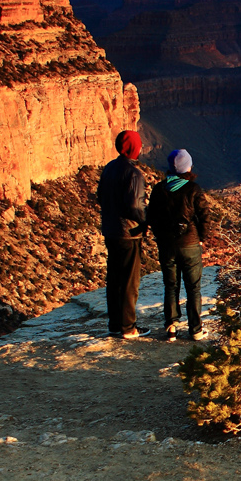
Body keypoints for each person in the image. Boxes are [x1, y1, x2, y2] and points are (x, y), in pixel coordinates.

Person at [146, 148, 212, 340]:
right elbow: (205, 216)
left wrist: (160, 236)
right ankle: (196, 329)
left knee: (171, 285)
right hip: (190, 244)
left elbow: (151, 217)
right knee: (193, 287)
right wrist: (201, 237)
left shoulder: (159, 189)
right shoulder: (193, 189)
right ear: (187, 168)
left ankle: (171, 327)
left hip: (167, 245)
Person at [96, 130, 148, 339]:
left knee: (115, 278)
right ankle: (128, 327)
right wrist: (146, 219)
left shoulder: (109, 168)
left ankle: (115, 324)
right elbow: (135, 206)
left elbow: (100, 196)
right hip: (128, 233)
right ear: (133, 148)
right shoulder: (134, 174)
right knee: (129, 281)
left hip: (110, 230)